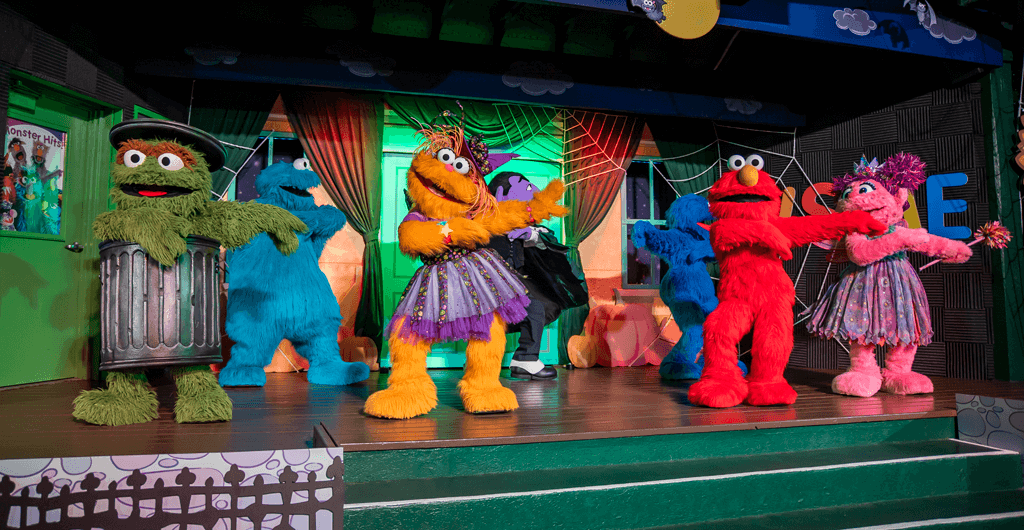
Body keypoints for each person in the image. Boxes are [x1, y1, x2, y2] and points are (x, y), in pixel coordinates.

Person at [486, 172, 588, 380]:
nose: (532, 191)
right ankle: (517, 358)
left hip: (518, 283)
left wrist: (530, 234)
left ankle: (524, 358)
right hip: (488, 285)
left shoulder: (529, 224)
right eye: (523, 187)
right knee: (526, 310)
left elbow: (549, 240)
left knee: (545, 305)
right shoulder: (484, 222)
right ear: (500, 194)